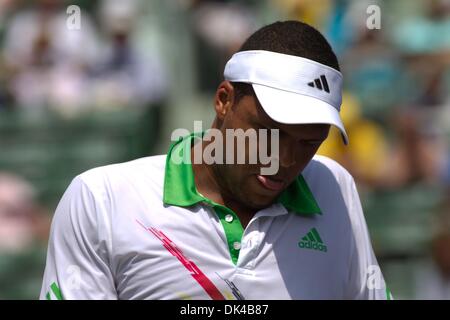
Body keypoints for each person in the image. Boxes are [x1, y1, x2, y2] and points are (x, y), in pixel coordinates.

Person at [40, 21, 392, 300]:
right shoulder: (101, 199)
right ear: (224, 100)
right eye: (269, 131)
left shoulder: (334, 187)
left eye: (308, 143)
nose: (284, 159)